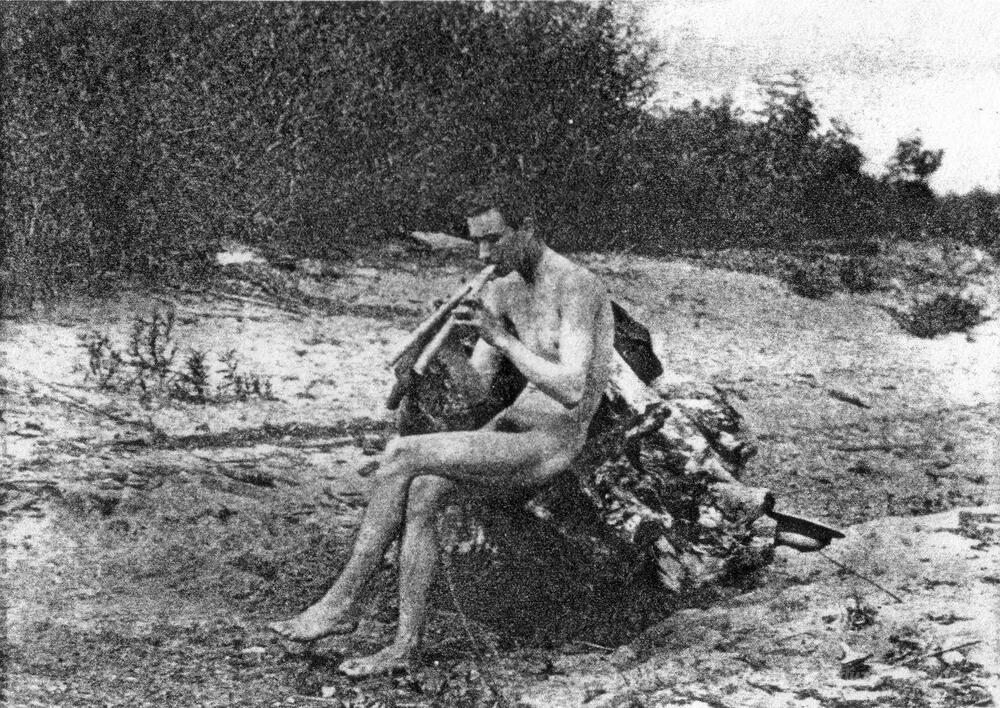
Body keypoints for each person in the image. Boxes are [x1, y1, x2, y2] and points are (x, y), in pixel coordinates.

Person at [269, 206, 616, 677]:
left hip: (553, 440)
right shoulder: (503, 289)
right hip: (508, 429)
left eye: (494, 239)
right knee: (422, 491)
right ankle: (404, 645)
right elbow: (476, 390)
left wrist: (502, 339)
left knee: (401, 453)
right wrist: (448, 345)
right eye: (477, 242)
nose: (483, 254)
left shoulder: (577, 285)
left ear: (529, 227)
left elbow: (572, 389)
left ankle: (343, 601)